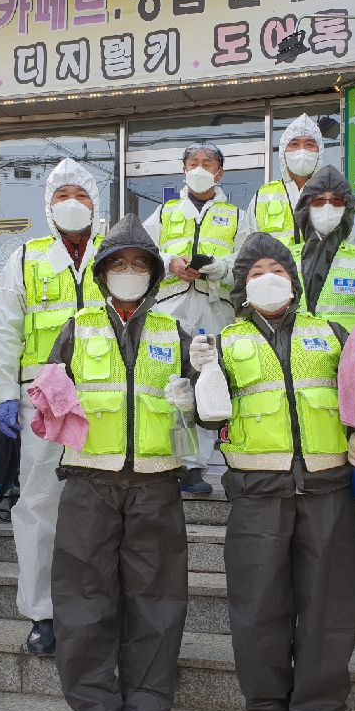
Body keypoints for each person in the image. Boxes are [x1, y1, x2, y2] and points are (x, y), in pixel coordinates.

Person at [192, 232, 355, 711]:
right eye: (257, 271)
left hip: (327, 488)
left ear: (293, 280)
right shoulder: (223, 343)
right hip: (256, 492)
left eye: (279, 269)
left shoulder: (331, 333)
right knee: (257, 606)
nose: (269, 278)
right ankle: (267, 710)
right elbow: (208, 417)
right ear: (242, 286)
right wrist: (198, 380)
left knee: (328, 606)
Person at [47, 214, 193, 711]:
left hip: (156, 481)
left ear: (153, 274)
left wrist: (199, 390)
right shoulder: (78, 327)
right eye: (119, 263)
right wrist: (47, 400)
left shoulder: (173, 332)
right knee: (84, 595)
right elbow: (50, 398)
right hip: (89, 480)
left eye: (138, 264)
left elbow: (202, 410)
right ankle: (95, 703)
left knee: (157, 596)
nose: (128, 272)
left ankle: (148, 701)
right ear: (103, 272)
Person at [0, 158, 103, 657]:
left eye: (81, 194)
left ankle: (96, 607)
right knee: (39, 504)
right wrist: (3, 396)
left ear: (96, 202)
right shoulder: (25, 258)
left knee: (102, 506)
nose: (72, 203)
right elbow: (3, 331)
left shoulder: (114, 255)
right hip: (43, 402)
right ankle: (42, 612)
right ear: (48, 206)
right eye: (62, 196)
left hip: (105, 398)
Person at [143, 143, 244, 496]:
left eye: (207, 163)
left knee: (207, 379)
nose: (200, 168)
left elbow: (247, 261)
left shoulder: (237, 215)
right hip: (169, 308)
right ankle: (164, 457)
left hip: (215, 308)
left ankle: (194, 466)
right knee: (169, 379)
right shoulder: (165, 212)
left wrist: (219, 268)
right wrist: (169, 261)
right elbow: (143, 249)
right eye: (193, 163)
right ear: (184, 170)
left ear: (220, 172)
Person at [292, 166, 355, 329]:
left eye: (336, 201)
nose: (327, 207)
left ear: (347, 207)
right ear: (306, 207)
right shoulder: (286, 259)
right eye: (318, 201)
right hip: (298, 346)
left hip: (349, 346)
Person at [243, 113, 326, 247]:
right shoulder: (263, 196)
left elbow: (348, 247)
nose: (302, 151)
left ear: (320, 151)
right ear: (283, 152)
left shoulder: (334, 194)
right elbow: (248, 247)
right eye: (294, 144)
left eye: (310, 144)